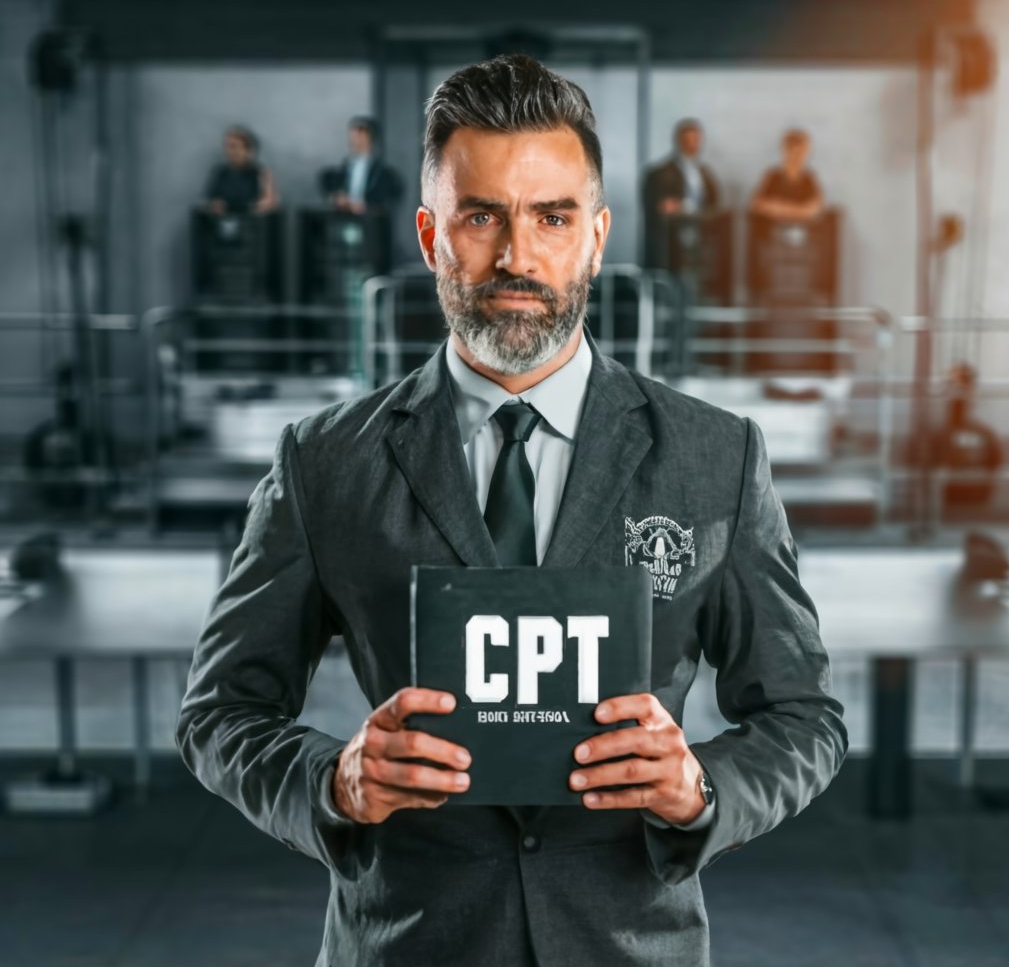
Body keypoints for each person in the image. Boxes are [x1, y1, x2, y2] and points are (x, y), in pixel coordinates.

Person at [177, 54, 847, 967]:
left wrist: (700, 788)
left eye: (552, 216)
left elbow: (804, 716)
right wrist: (334, 780)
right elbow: (220, 711)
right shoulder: (326, 462)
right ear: (429, 235)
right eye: (481, 215)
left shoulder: (714, 457)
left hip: (628, 945)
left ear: (599, 235)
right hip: (407, 942)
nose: (517, 256)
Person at [318, 115, 404, 272]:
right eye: (353, 136)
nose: (355, 140)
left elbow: (390, 200)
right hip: (343, 227)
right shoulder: (340, 172)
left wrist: (365, 206)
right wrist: (338, 199)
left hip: (371, 230)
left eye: (360, 135)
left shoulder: (385, 174)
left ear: (370, 138)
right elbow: (329, 188)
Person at [643, 118, 721, 267]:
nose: (692, 144)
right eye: (688, 139)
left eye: (696, 139)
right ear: (679, 140)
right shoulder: (660, 174)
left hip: (700, 232)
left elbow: (714, 202)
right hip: (673, 237)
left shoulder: (704, 172)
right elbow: (657, 206)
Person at [750, 128, 824, 222]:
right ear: (786, 150)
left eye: (804, 152)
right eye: (797, 152)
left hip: (802, 230)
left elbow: (815, 208)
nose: (801, 157)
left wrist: (779, 208)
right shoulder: (773, 175)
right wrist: (798, 210)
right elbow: (757, 204)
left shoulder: (809, 177)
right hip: (772, 229)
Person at [203, 125, 279, 215]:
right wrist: (214, 205)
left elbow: (269, 203)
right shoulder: (221, 173)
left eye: (235, 147)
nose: (230, 151)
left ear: (248, 150)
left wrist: (267, 201)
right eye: (228, 147)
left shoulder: (261, 173)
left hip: (252, 223)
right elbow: (210, 200)